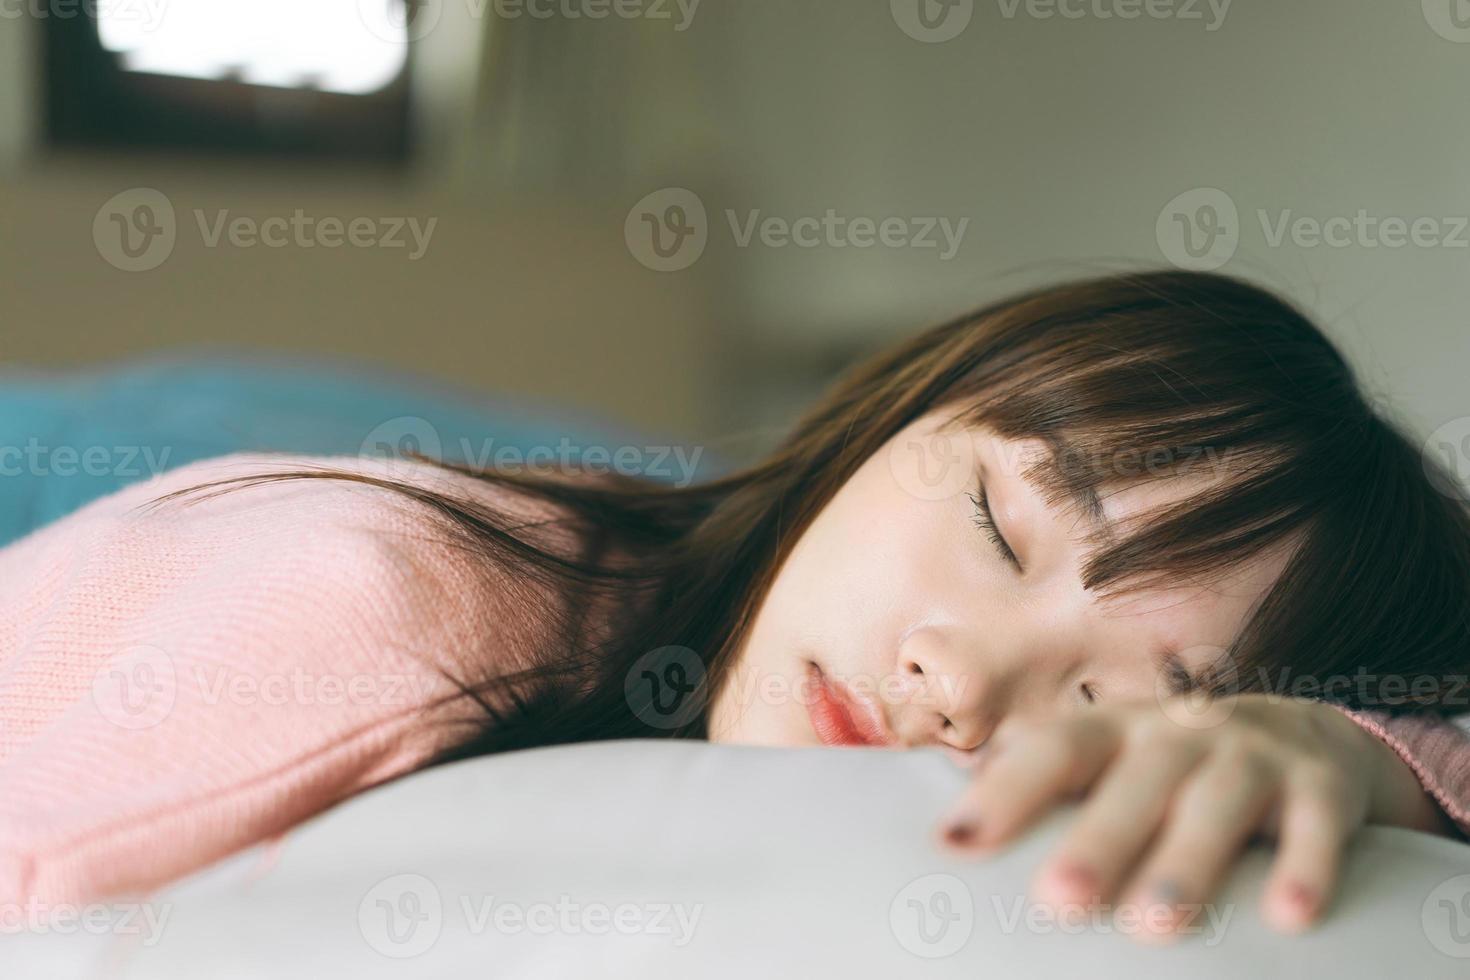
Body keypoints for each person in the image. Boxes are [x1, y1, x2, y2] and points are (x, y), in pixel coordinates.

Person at [3, 270, 1467, 942]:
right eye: (993, 527)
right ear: (893, 413)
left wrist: (1360, 757)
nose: (951, 677)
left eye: (1111, 703)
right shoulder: (382, 613)